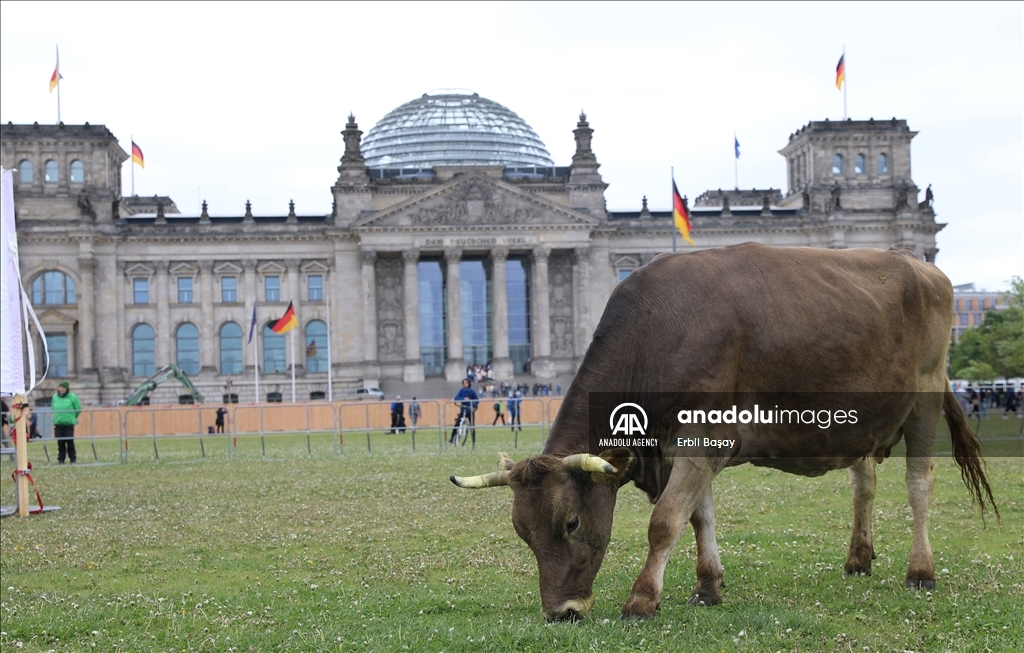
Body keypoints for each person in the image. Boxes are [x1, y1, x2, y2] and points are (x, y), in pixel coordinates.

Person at [51, 381, 82, 464]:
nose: (61, 389)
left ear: (67, 389)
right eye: (60, 387)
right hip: (58, 423)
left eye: (63, 387)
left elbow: (78, 409)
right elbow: (53, 408)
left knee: (69, 441)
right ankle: (61, 459)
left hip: (68, 423)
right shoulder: (55, 397)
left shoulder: (73, 397)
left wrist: (71, 417)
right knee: (60, 442)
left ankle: (73, 459)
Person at [451, 379, 479, 445]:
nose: (465, 384)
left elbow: (477, 400)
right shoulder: (461, 391)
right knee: (457, 424)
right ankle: (452, 438)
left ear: (469, 383)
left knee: (472, 426)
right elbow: (456, 398)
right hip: (463, 410)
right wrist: (463, 399)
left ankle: (473, 441)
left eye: (466, 383)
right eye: (463, 383)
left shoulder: (472, 391)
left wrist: (474, 406)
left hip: (470, 410)